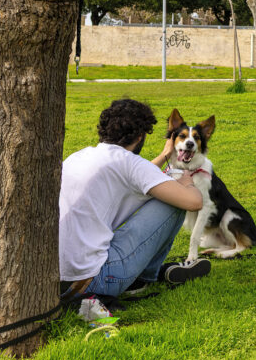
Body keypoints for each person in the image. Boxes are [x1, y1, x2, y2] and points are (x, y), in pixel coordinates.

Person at [59, 99, 210, 320]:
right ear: (140, 136)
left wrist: (165, 155)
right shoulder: (130, 163)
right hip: (95, 280)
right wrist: (187, 182)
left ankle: (143, 274)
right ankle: (142, 278)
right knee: (174, 201)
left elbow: (138, 174)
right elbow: (193, 202)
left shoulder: (79, 156)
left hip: (56, 280)